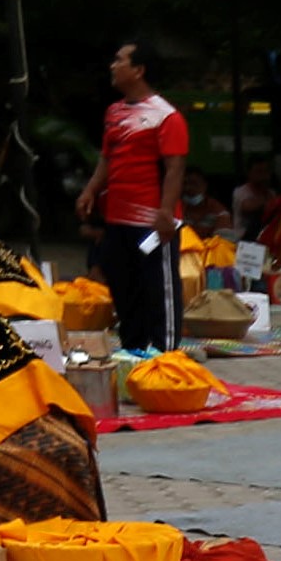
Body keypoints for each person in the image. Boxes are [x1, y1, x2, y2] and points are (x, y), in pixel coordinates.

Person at [76, 38, 187, 351]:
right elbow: (107, 158)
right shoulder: (114, 112)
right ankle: (133, 349)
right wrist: (91, 189)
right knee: (124, 287)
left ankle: (166, 354)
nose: (113, 66)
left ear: (138, 70)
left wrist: (166, 213)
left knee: (159, 289)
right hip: (117, 220)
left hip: (152, 223)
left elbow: (175, 168)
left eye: (119, 60)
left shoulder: (166, 116)